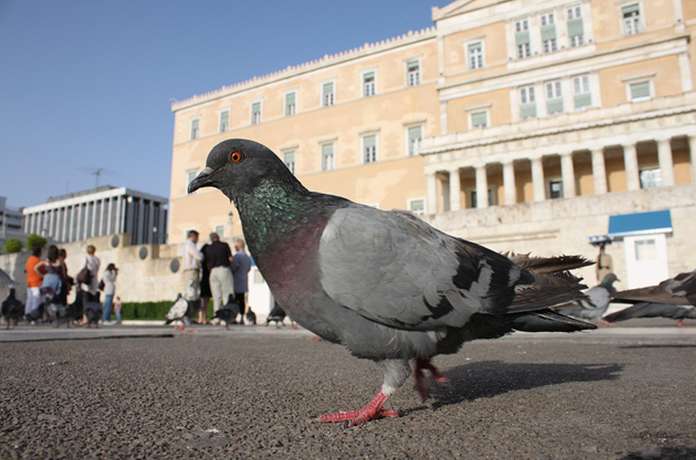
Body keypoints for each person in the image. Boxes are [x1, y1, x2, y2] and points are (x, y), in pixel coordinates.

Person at [202, 233, 234, 323]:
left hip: (213, 272)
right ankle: (226, 317)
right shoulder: (224, 245)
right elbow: (231, 259)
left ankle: (216, 317)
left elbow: (207, 262)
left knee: (216, 296)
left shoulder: (208, 248)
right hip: (223, 269)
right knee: (227, 294)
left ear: (211, 239)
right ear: (218, 237)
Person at [182, 230, 203, 321]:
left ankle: (189, 316)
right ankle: (188, 317)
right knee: (191, 293)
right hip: (191, 271)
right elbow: (199, 256)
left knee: (191, 293)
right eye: (197, 237)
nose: (198, 239)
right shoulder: (190, 245)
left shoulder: (187, 245)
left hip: (190, 271)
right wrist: (202, 254)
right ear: (193, 236)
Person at [231, 238, 252, 324]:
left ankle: (234, 317)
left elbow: (233, 267)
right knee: (242, 300)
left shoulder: (237, 256)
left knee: (236, 300)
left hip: (236, 280)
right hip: (244, 279)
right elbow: (248, 268)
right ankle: (242, 317)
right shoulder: (247, 257)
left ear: (237, 246)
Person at [24, 246, 43, 318]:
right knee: (36, 300)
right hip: (36, 283)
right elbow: (41, 271)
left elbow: (25, 270)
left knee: (29, 300)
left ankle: (27, 314)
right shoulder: (38, 261)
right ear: (39, 252)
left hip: (29, 283)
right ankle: (33, 316)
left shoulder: (29, 259)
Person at [199, 239, 213, 324]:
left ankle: (201, 317)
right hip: (206, 280)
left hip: (203, 279)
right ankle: (203, 318)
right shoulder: (207, 262)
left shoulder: (202, 261)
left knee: (202, 300)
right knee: (205, 300)